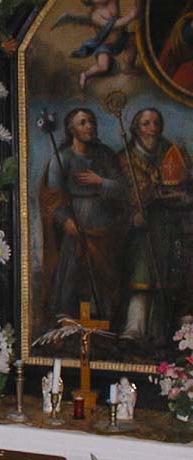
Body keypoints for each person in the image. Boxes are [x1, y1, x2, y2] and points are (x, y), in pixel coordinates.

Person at [39, 107, 127, 326]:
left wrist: (101, 181)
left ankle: (101, 319)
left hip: (103, 224)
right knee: (73, 271)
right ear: (71, 129)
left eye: (91, 122)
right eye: (83, 122)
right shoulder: (63, 158)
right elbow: (52, 198)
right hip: (75, 224)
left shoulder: (105, 155)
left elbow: (123, 188)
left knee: (102, 274)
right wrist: (65, 220)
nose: (89, 126)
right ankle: (68, 321)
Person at [118, 108, 193, 343]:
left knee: (173, 276)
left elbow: (187, 186)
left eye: (156, 123)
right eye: (146, 124)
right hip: (142, 229)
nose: (152, 128)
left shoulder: (173, 152)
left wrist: (179, 195)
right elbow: (119, 196)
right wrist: (133, 215)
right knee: (142, 274)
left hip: (171, 225)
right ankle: (135, 327)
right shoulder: (125, 157)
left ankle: (169, 332)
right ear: (136, 129)